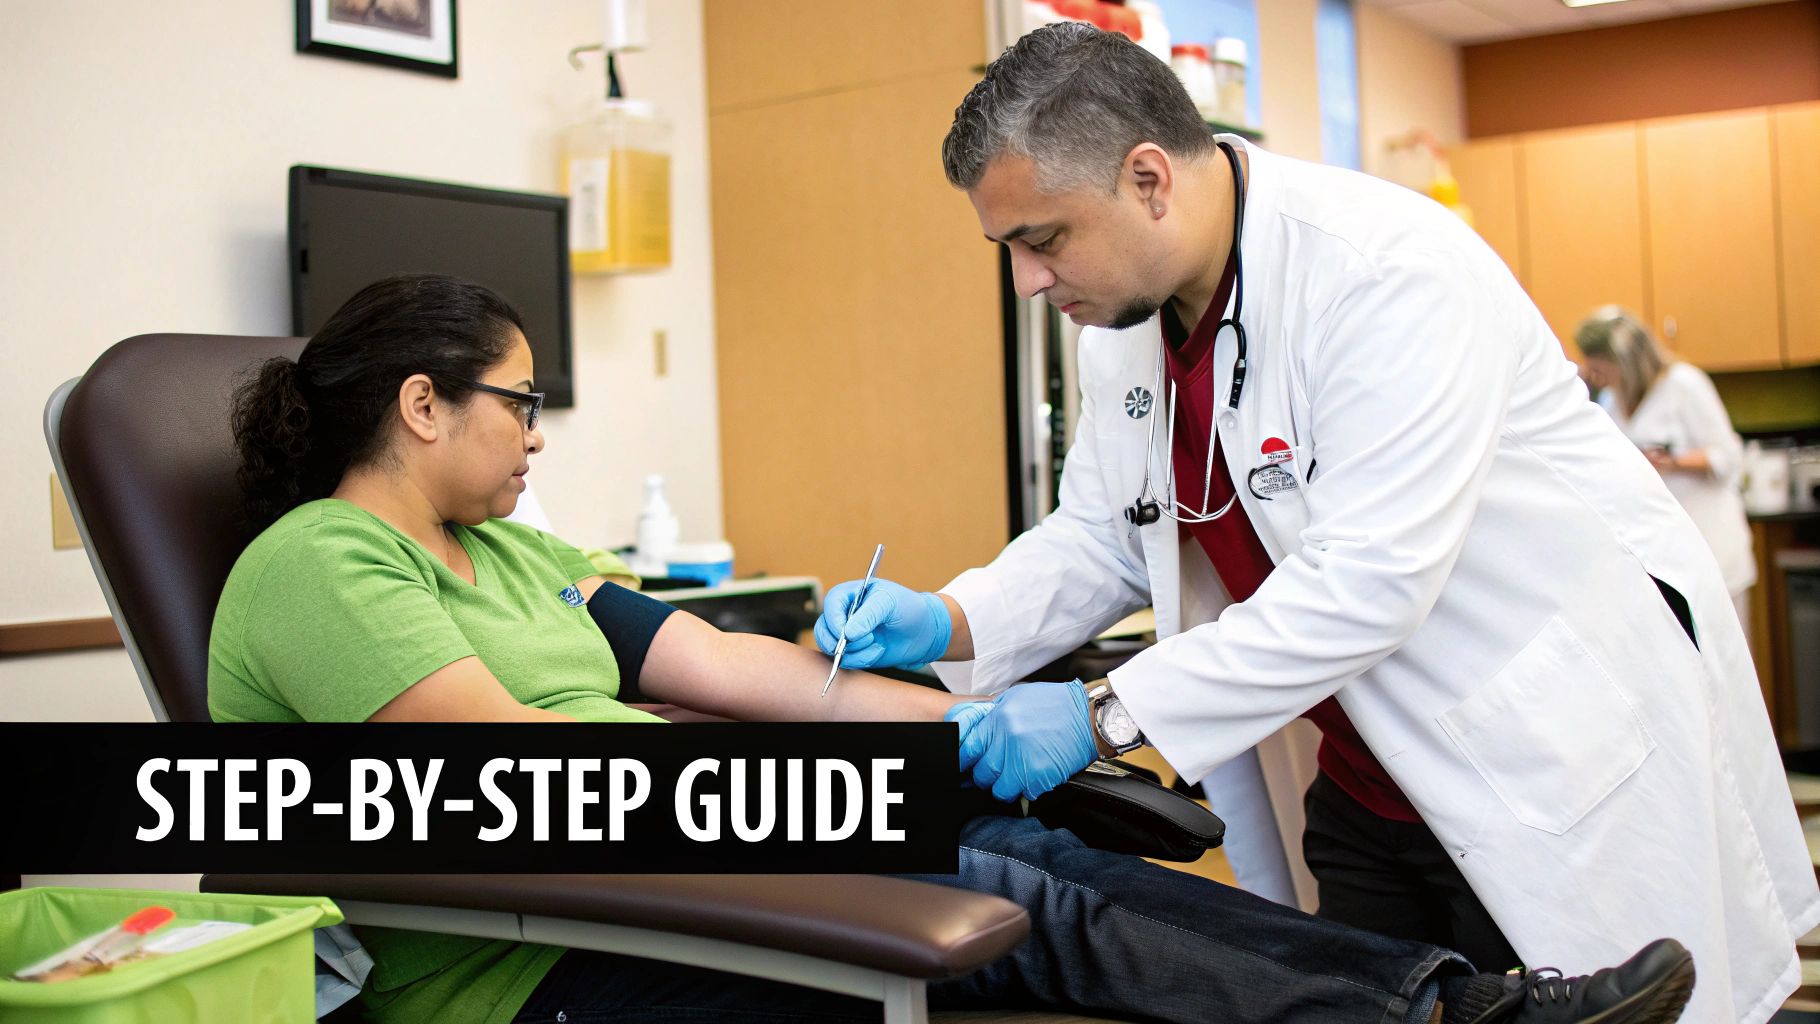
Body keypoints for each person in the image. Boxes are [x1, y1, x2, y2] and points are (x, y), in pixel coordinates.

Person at [208, 273, 1693, 1024]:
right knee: (1013, 892)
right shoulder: (320, 563)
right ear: (421, 407)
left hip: (675, 865)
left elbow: (751, 677)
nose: (537, 436)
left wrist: (988, 716)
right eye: (519, 404)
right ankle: (1445, 1011)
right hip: (537, 967)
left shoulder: (524, 557)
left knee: (1021, 842)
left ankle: (1441, 1003)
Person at [813, 22, 1816, 1024]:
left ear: (1149, 179)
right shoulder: (1121, 329)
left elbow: (1365, 583)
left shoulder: (1384, 270)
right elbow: (1106, 535)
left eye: (1041, 239)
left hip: (1536, 748)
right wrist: (945, 616)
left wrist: (1100, 716)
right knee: (1378, 1004)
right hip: (1358, 777)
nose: (1028, 282)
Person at [1576, 307, 1757, 634]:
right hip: (1662, 561)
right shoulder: (1612, 400)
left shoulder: (1683, 385)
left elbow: (1728, 457)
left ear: (1625, 360)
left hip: (1713, 551)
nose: (1592, 370)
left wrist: (1670, 462)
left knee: (1725, 665)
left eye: (1598, 362)